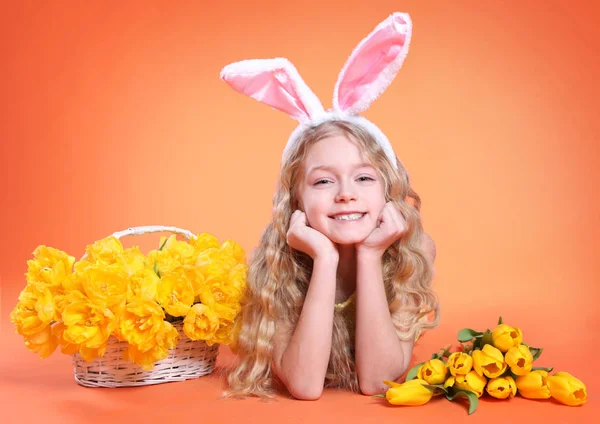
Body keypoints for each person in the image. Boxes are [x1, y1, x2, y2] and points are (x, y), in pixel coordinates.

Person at [220, 12, 439, 400]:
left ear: (389, 191)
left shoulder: (411, 253)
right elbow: (304, 386)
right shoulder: (276, 264)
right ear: (296, 199)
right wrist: (324, 258)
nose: (345, 194)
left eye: (364, 178)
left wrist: (371, 255)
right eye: (323, 181)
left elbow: (377, 382)